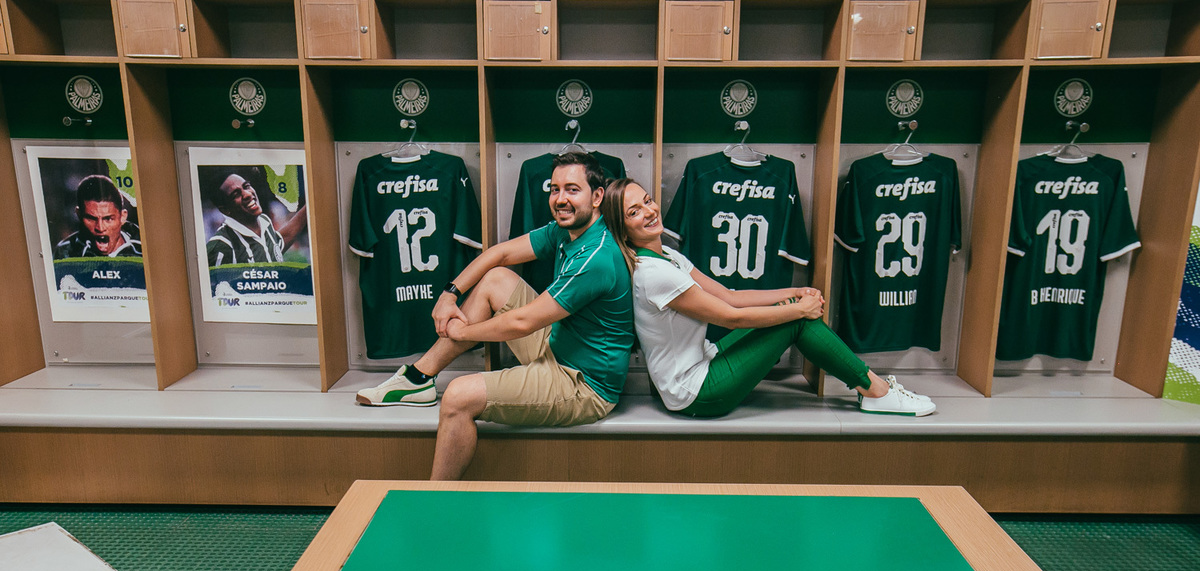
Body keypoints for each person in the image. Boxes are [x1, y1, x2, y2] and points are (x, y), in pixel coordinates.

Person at [356, 152, 634, 480]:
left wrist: (462, 332)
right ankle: (418, 378)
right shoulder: (568, 230)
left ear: (597, 196)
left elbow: (523, 322)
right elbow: (499, 253)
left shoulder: (596, 257)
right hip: (560, 345)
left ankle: (434, 499)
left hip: (582, 385)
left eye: (572, 190)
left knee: (458, 397)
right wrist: (449, 294)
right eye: (555, 189)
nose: (561, 199)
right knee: (496, 278)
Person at [600, 178, 935, 417]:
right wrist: (799, 309)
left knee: (793, 310)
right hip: (694, 393)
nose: (649, 211)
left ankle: (871, 387)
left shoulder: (668, 257)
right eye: (634, 212)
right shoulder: (653, 273)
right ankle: (875, 391)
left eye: (647, 200)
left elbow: (730, 296)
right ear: (622, 227)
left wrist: (793, 293)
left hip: (701, 363)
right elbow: (730, 317)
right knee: (797, 322)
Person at [205, 170, 307, 267]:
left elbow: (280, 242)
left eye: (246, 186)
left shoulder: (264, 221)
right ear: (225, 210)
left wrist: (311, 202)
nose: (248, 194)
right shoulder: (220, 247)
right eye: (236, 194)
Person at [53, 174, 141, 259]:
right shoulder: (65, 254)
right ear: (79, 214)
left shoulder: (144, 247)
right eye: (91, 219)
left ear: (123, 217)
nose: (100, 228)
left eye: (108, 219)